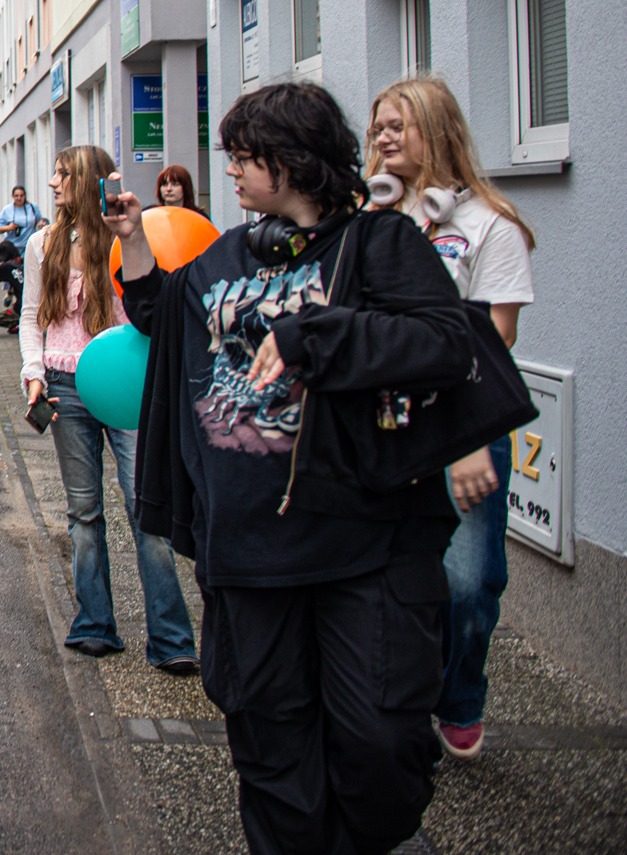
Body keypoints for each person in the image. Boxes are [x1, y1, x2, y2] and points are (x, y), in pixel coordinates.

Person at [115, 82, 473, 855]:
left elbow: (446, 343)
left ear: (293, 159)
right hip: (248, 552)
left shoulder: (378, 245)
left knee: (380, 743)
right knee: (272, 753)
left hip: (365, 546)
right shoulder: (225, 258)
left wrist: (319, 337)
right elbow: (160, 317)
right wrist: (133, 241)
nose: (232, 171)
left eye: (245, 157)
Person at [367, 76, 535, 764]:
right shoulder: (374, 217)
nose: (382, 137)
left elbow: (497, 338)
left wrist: (462, 433)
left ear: (435, 131)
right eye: (378, 126)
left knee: (467, 584)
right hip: (387, 425)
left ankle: (459, 694)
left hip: (464, 427)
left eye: (397, 125)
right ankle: (402, 697)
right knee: (385, 574)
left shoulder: (491, 226)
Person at [19, 145, 197, 672]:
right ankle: (94, 624)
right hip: (64, 387)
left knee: (148, 508)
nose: (53, 182)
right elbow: (31, 315)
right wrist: (33, 373)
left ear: (88, 180)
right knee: (83, 513)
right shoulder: (42, 243)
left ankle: (171, 639)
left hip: (126, 386)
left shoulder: (127, 240)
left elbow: (147, 311)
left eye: (62, 174)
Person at [0, 184, 42, 250]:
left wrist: (41, 223)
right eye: (16, 196)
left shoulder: (32, 207)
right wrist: (8, 228)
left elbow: (41, 220)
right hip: (12, 248)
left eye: (21, 196)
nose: (19, 198)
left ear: (25, 196)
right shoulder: (7, 210)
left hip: (29, 246)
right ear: (12, 196)